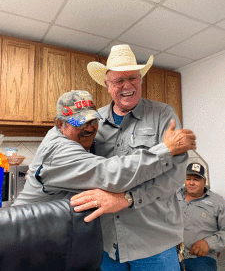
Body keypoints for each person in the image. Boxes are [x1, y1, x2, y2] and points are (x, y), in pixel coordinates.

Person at [70, 44, 196, 271]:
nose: (127, 85)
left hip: (155, 243)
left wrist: (126, 198)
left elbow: (175, 177)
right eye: (119, 81)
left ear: (140, 80)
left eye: (133, 78)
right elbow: (78, 165)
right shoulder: (93, 120)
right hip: (108, 242)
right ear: (107, 86)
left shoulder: (163, 114)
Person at [14, 89, 193, 206]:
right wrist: (166, 149)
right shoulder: (59, 150)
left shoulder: (65, 137)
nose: (90, 128)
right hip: (28, 231)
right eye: (80, 123)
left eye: (93, 120)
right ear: (61, 124)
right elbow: (111, 173)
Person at [177, 163, 225, 271]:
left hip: (200, 257)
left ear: (204, 181)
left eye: (196, 179)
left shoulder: (218, 202)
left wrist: (209, 243)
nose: (191, 183)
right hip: (170, 254)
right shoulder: (173, 196)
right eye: (188, 179)